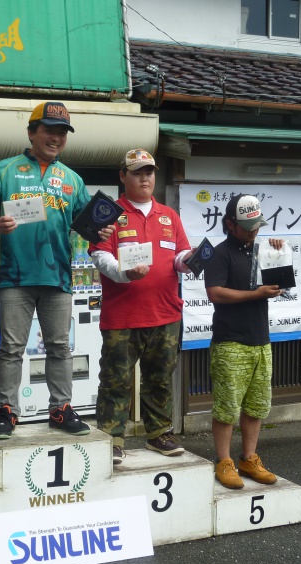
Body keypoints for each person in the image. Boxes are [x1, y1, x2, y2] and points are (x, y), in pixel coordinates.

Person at [0, 101, 113, 439]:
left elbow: (86, 224)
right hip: (13, 275)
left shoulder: (72, 179)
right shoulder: (4, 170)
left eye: (62, 132)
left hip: (58, 276)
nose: (55, 138)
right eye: (49, 130)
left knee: (59, 346)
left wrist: (102, 230)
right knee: (11, 348)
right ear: (32, 132)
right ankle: (6, 411)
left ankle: (60, 409)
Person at [90, 149, 193, 464]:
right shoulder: (108, 212)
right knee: (115, 380)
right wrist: (123, 272)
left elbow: (179, 254)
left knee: (160, 377)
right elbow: (99, 256)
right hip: (123, 316)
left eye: (149, 171)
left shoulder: (168, 215)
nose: (145, 177)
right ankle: (112, 438)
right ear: (123, 177)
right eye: (137, 172)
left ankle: (158, 433)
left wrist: (190, 261)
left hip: (166, 313)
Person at [204, 193, 283, 489]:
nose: (254, 231)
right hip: (230, 341)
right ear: (229, 224)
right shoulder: (219, 253)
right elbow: (215, 293)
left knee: (257, 404)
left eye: (257, 225)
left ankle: (249, 458)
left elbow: (280, 284)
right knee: (227, 407)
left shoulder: (262, 250)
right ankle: (223, 461)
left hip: (261, 339)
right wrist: (256, 294)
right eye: (247, 226)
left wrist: (280, 253)